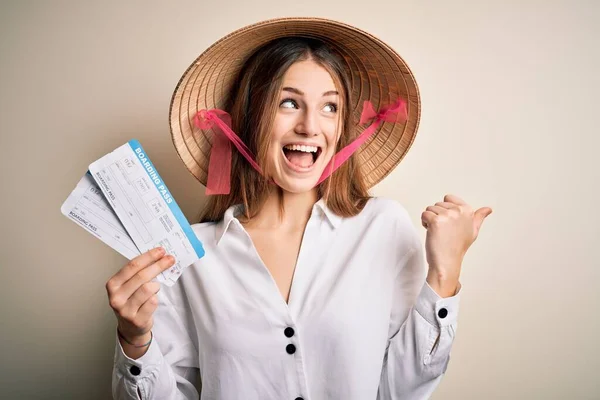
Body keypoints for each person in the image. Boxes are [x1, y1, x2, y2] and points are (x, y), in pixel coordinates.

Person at [108, 18, 492, 400]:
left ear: (341, 127)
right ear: (250, 118)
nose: (310, 126)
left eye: (329, 107)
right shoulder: (190, 254)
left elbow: (402, 391)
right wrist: (135, 341)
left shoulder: (383, 226)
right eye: (289, 103)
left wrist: (445, 272)